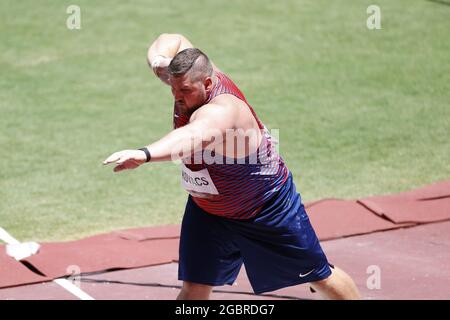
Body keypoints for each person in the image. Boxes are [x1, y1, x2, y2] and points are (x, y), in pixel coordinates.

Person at [103, 33, 361, 300]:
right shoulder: (186, 79)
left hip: (265, 209)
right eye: (173, 89)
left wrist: (144, 154)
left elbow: (191, 137)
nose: (177, 97)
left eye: (185, 91)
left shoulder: (222, 111)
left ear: (208, 82)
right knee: (195, 287)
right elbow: (173, 38)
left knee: (319, 277)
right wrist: (160, 62)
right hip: (209, 210)